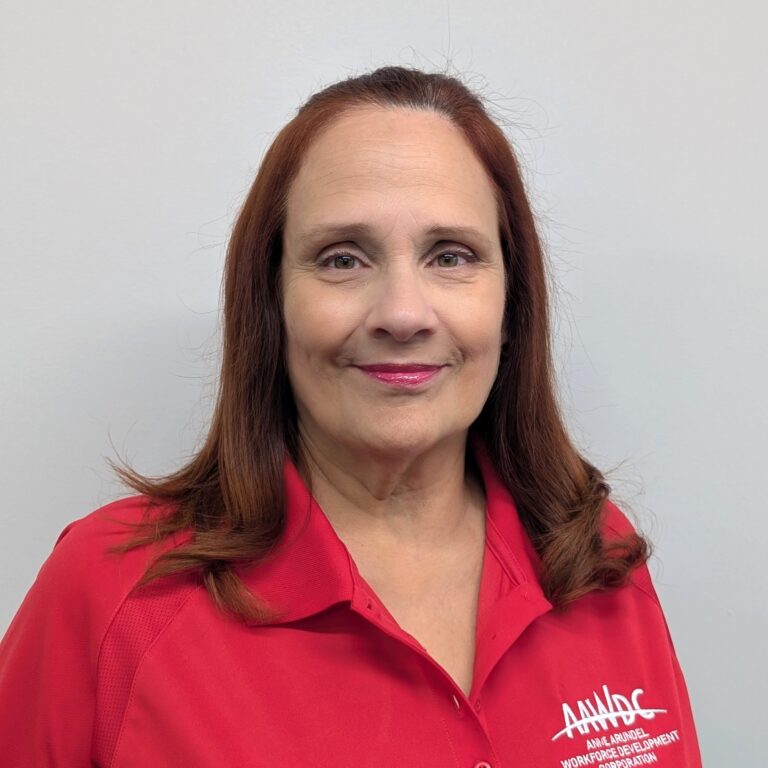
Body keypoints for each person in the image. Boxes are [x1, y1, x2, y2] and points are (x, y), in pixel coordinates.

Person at [0, 65, 702, 767]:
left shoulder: (597, 559)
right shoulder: (115, 597)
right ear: (271, 303)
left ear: (512, 304)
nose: (402, 313)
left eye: (450, 255)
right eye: (342, 259)